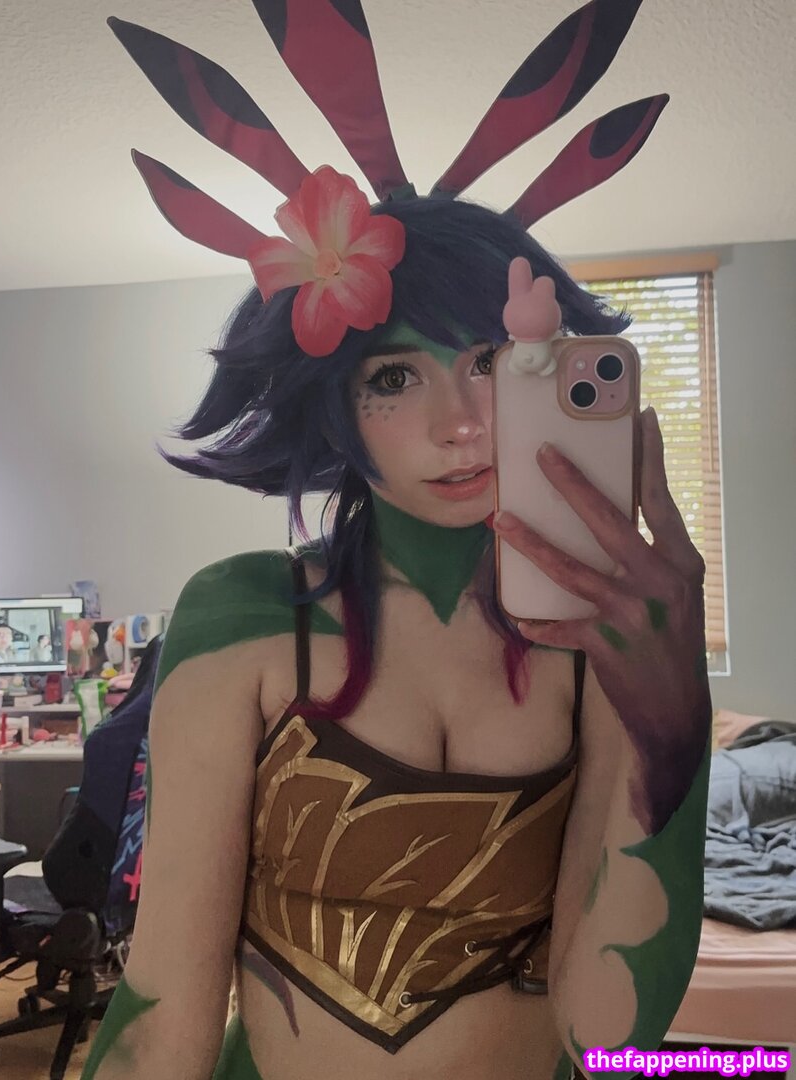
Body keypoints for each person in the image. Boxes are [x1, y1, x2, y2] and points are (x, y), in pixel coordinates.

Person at [83, 3, 713, 1079]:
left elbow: (610, 1040)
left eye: (489, 363)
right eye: (392, 377)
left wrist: (675, 730)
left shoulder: (594, 632)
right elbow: (164, 1003)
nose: (458, 424)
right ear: (334, 409)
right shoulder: (243, 617)